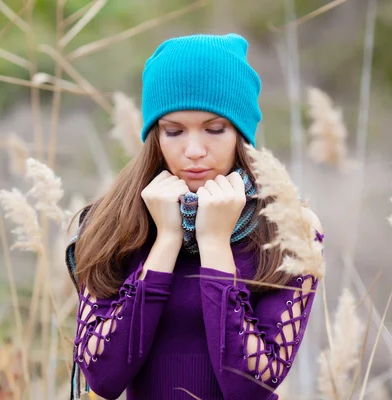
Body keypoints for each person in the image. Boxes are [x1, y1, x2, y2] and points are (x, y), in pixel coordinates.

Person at [65, 33, 324, 400]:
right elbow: (103, 377)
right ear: (155, 135)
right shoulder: (109, 223)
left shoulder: (291, 229)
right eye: (173, 131)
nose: (194, 150)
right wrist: (167, 241)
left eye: (215, 129)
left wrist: (215, 244)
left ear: (241, 133)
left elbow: (249, 387)